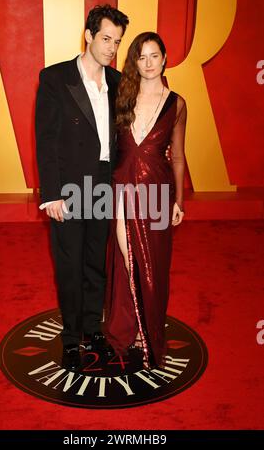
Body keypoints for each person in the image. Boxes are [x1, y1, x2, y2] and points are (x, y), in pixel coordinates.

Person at [35, 5, 129, 371]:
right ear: (88, 36)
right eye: (106, 39)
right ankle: (72, 339)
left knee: (96, 265)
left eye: (117, 42)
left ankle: (94, 330)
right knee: (70, 265)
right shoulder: (55, 79)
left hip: (104, 185)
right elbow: (46, 140)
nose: (111, 48)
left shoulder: (119, 81)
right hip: (69, 190)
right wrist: (51, 194)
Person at [104, 32, 186, 370]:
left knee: (156, 264)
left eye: (155, 56)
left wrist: (179, 200)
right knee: (128, 255)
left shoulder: (177, 103)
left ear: (165, 59)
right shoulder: (122, 95)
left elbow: (179, 157)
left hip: (157, 190)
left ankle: (148, 329)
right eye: (142, 57)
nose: (149, 63)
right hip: (122, 185)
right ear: (134, 62)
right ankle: (128, 326)